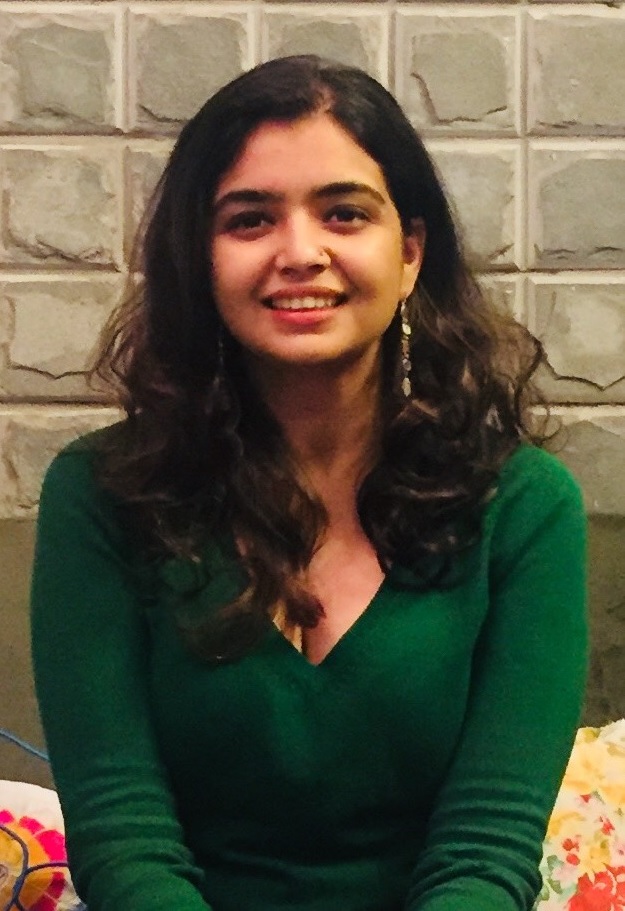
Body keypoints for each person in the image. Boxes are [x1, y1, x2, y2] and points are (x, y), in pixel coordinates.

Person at [31, 55, 587, 911]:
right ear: (199, 258)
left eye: (343, 213)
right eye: (250, 219)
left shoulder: (523, 505)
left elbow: (485, 855)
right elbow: (123, 840)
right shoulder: (101, 494)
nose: (300, 253)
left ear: (408, 254)